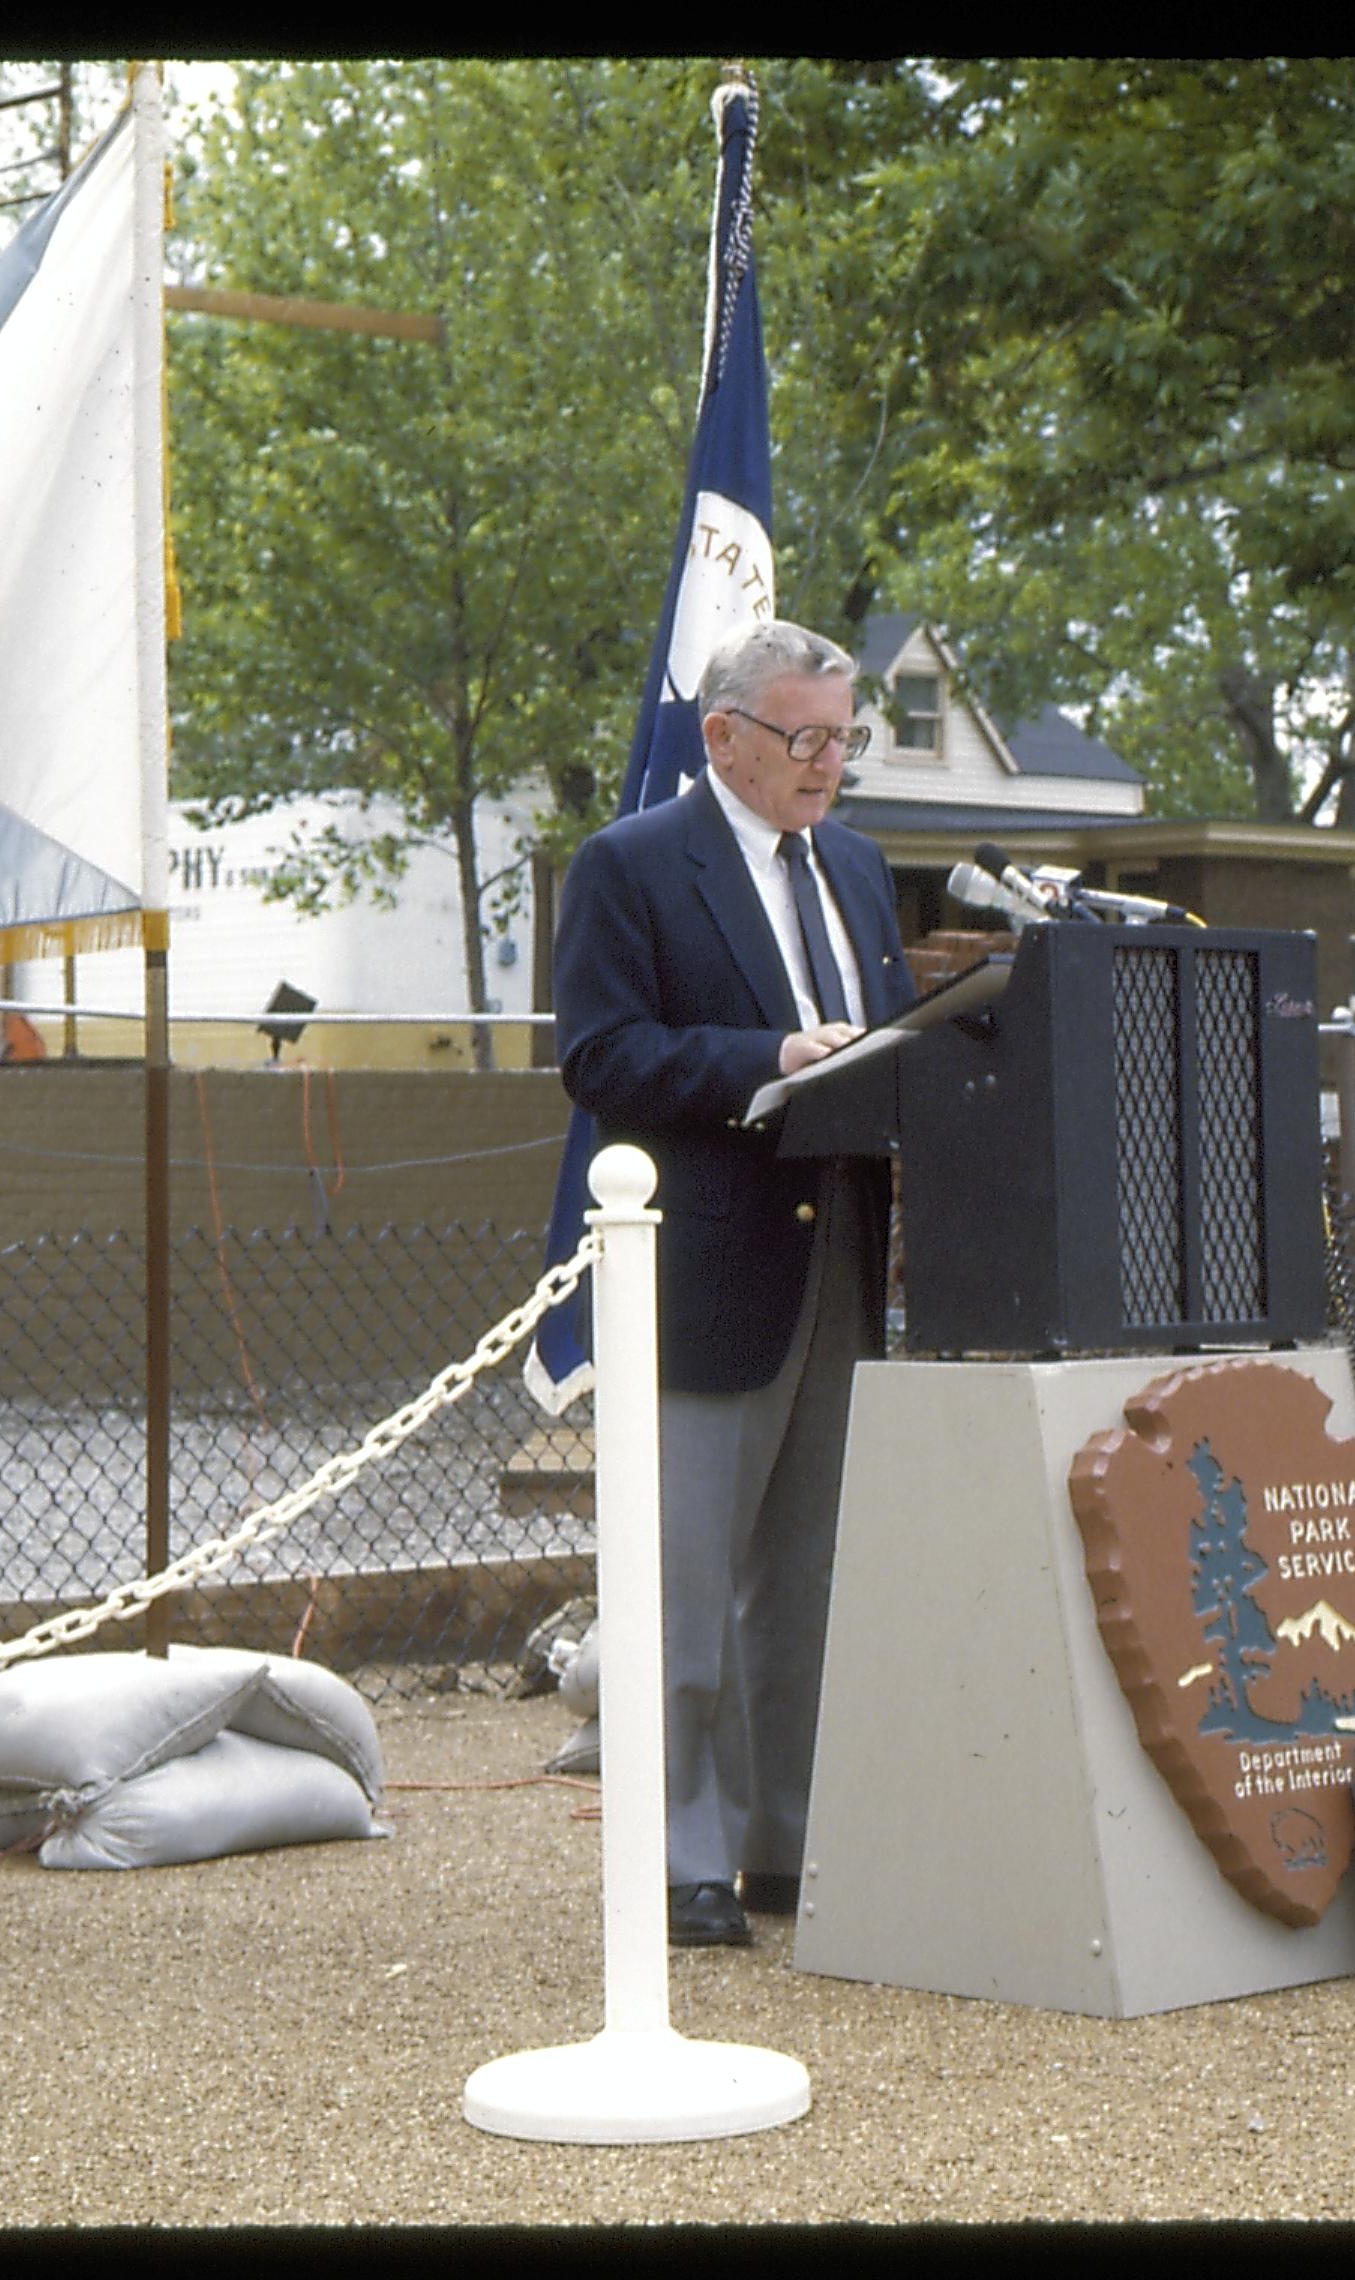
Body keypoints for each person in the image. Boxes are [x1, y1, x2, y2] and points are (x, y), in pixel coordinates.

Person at [553, 618, 919, 1946]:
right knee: (686, 1593)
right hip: (703, 1263)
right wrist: (767, 1054)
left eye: (845, 739)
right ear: (725, 737)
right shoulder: (633, 867)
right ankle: (678, 1855)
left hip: (839, 1256)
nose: (832, 764)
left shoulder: (863, 871)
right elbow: (601, 1058)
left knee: (810, 1585)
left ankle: (790, 1843)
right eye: (807, 738)